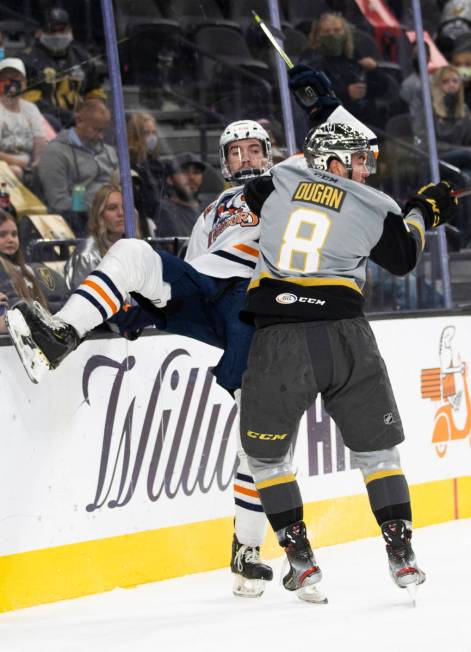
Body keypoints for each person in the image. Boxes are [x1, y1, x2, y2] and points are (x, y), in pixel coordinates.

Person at [5, 119, 277, 598]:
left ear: (269, 153)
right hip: (208, 292)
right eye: (237, 152)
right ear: (224, 160)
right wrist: (143, 305)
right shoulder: (211, 209)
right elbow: (189, 270)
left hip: (253, 304)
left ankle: (247, 547)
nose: (246, 159)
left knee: (259, 434)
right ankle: (60, 335)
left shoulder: (283, 194)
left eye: (255, 149)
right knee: (131, 251)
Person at [236, 121, 458, 602]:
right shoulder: (377, 207)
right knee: (379, 455)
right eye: (358, 160)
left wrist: (306, 167)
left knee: (266, 459)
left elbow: (255, 193)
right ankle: (401, 552)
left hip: (279, 341)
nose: (367, 169)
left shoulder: (280, 179)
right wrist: (423, 210)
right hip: (346, 338)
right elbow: (403, 256)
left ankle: (300, 558)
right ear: (335, 162)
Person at [38, 98, 118, 235]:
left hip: (112, 213)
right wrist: (96, 212)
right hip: (79, 218)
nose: (101, 136)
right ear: (79, 121)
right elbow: (58, 202)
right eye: (96, 129)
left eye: (103, 130)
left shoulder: (109, 151)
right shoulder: (55, 153)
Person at [20, 7, 106, 130]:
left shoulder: (82, 57)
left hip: (80, 126)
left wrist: (96, 109)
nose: (58, 35)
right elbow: (31, 103)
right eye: (52, 30)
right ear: (39, 32)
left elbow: (94, 91)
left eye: (62, 29)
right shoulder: (26, 60)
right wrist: (71, 117)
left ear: (70, 30)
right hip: (43, 126)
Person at [64, 184, 127, 292]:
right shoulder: (87, 255)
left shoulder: (131, 247)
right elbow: (86, 303)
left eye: (125, 207)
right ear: (99, 215)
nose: (121, 213)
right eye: (112, 208)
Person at [0, 208, 47, 332]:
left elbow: (43, 305)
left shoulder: (26, 270)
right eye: (2, 235)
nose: (10, 239)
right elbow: (17, 307)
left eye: (14, 234)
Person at [0, 58, 47, 180]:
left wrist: (37, 165)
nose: (11, 82)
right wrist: (21, 162)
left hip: (28, 168)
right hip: (6, 167)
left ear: (25, 83)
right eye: (5, 78)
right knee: (14, 172)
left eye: (16, 77)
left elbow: (40, 143)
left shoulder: (31, 109)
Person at [127, 112, 167, 227]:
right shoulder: (130, 165)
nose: (152, 137)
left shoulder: (158, 164)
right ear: (135, 136)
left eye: (153, 132)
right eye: (146, 133)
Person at [153, 153, 206, 238]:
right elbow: (175, 248)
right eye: (184, 172)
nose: (191, 177)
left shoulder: (210, 209)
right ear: (170, 179)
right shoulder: (164, 210)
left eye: (196, 172)